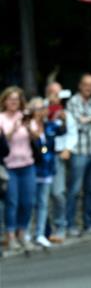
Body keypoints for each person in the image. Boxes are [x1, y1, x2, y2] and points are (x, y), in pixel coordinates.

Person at [65, 74, 91, 237]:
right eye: (86, 84)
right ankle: (70, 224)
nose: (88, 88)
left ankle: (89, 224)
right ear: (80, 85)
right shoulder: (73, 102)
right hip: (79, 152)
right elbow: (76, 124)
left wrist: (89, 119)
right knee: (74, 190)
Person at [1, 86, 41, 252]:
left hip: (27, 164)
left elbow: (37, 137)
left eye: (16, 99)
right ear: (4, 101)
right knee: (12, 202)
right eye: (10, 99)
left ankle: (22, 232)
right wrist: (14, 128)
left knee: (28, 201)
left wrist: (28, 126)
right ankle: (10, 235)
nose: (13, 102)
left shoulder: (25, 116)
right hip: (9, 166)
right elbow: (2, 141)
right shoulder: (1, 118)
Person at [29, 97, 60, 248]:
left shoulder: (49, 126)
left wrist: (60, 115)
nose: (40, 111)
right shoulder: (27, 126)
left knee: (43, 202)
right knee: (30, 202)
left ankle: (40, 234)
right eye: (37, 109)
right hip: (32, 168)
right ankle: (26, 233)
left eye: (42, 108)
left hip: (47, 168)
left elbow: (62, 130)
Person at [45, 82, 72, 243]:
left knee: (58, 193)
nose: (56, 97)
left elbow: (70, 132)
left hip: (58, 155)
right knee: (43, 196)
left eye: (58, 94)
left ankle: (61, 226)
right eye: (53, 93)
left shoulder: (65, 111)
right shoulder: (41, 108)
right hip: (42, 157)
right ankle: (45, 230)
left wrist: (68, 148)